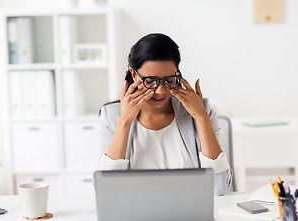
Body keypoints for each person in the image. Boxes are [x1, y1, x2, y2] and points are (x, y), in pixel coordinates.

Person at [97, 33, 232, 195]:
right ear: (134, 75)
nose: (160, 91)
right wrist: (125, 120)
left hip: (189, 213)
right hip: (137, 216)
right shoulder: (111, 116)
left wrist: (201, 117)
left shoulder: (200, 111)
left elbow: (219, 188)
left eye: (169, 80)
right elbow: (106, 191)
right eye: (150, 81)